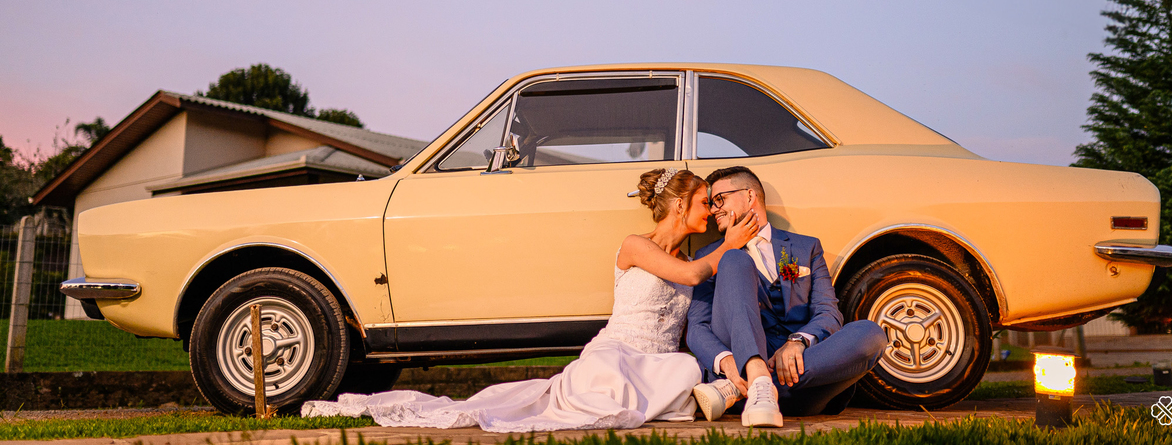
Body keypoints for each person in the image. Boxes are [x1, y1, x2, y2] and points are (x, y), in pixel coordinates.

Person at [301, 166, 760, 432]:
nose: (712, 211)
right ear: (680, 205)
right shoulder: (636, 245)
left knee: (682, 368)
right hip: (617, 351)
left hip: (659, 359)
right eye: (705, 202)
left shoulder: (700, 254)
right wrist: (731, 244)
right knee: (606, 376)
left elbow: (699, 286)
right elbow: (692, 274)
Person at [687, 166, 887, 427]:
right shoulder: (708, 256)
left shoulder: (806, 247)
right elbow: (697, 328)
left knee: (871, 334)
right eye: (711, 203)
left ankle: (746, 388)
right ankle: (755, 378)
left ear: (750, 196)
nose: (713, 210)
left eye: (719, 200)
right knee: (734, 258)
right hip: (741, 360)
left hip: (804, 379)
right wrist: (727, 363)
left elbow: (828, 313)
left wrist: (797, 342)